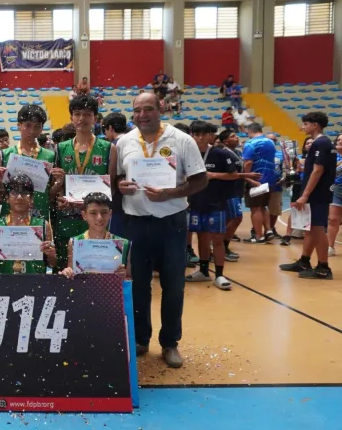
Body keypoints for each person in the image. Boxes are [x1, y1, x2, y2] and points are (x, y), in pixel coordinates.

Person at [116, 91, 207, 368]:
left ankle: (170, 343)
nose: (142, 115)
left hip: (171, 223)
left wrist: (171, 193)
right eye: (137, 110)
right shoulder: (124, 142)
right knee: (139, 285)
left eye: (148, 109)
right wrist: (121, 184)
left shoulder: (182, 140)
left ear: (161, 109)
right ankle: (141, 339)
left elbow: (200, 180)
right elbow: (119, 176)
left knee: (174, 286)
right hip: (136, 222)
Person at [185, 121, 257, 291]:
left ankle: (219, 274)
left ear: (211, 135)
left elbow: (234, 175)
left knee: (216, 239)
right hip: (195, 203)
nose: (200, 137)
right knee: (201, 238)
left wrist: (212, 175)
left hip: (216, 203)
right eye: (196, 134)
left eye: (204, 134)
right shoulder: (188, 154)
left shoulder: (220, 153)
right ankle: (203, 271)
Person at [50, 95, 115, 271]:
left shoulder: (108, 148)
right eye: (77, 114)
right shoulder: (61, 148)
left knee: (96, 267)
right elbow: (56, 188)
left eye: (87, 114)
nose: (82, 119)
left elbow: (112, 187)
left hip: (96, 218)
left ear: (95, 117)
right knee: (66, 269)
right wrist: (59, 196)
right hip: (67, 217)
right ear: (71, 117)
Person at [280, 112, 335, 279]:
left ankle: (323, 268)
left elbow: (318, 170)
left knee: (318, 229)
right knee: (310, 229)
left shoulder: (321, 143)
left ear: (315, 125)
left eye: (305, 124)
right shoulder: (323, 143)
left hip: (318, 194)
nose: (302, 127)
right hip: (318, 192)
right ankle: (304, 261)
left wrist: (304, 195)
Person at [0, 174, 57, 273]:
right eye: (14, 192)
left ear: (32, 199)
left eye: (25, 193)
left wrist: (51, 254)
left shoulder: (43, 225)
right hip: (4, 284)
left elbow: (52, 264)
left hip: (36, 284)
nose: (20, 197)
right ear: (7, 198)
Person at [0, 105, 55, 221]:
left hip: (39, 217)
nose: (32, 131)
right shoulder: (4, 155)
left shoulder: (50, 156)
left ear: (42, 128)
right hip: (10, 219)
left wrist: (58, 183)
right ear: (19, 125)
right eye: (27, 126)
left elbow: (51, 195)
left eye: (37, 127)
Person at [60, 192, 129, 278]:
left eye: (104, 212)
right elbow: (71, 275)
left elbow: (129, 278)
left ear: (110, 214)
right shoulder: (74, 243)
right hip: (83, 290)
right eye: (93, 213)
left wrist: (123, 275)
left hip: (111, 290)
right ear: (84, 215)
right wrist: (67, 272)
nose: (99, 218)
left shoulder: (124, 244)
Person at [242, 123, 277, 244]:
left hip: (256, 180)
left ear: (249, 131)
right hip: (270, 179)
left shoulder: (250, 143)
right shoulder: (271, 142)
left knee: (255, 209)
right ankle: (268, 231)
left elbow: (247, 163)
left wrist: (246, 177)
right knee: (263, 206)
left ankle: (259, 236)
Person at [281, 136, 313, 246]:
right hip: (299, 185)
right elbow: (293, 171)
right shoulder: (297, 157)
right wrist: (296, 169)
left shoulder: (319, 157)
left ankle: (308, 235)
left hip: (313, 186)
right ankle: (287, 235)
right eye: (307, 143)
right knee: (295, 208)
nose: (309, 144)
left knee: (311, 210)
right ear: (304, 146)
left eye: (312, 143)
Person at [326, 134, 342, 255]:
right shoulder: (332, 156)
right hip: (336, 189)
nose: (340, 141)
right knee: (333, 219)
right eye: (338, 140)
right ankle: (330, 246)